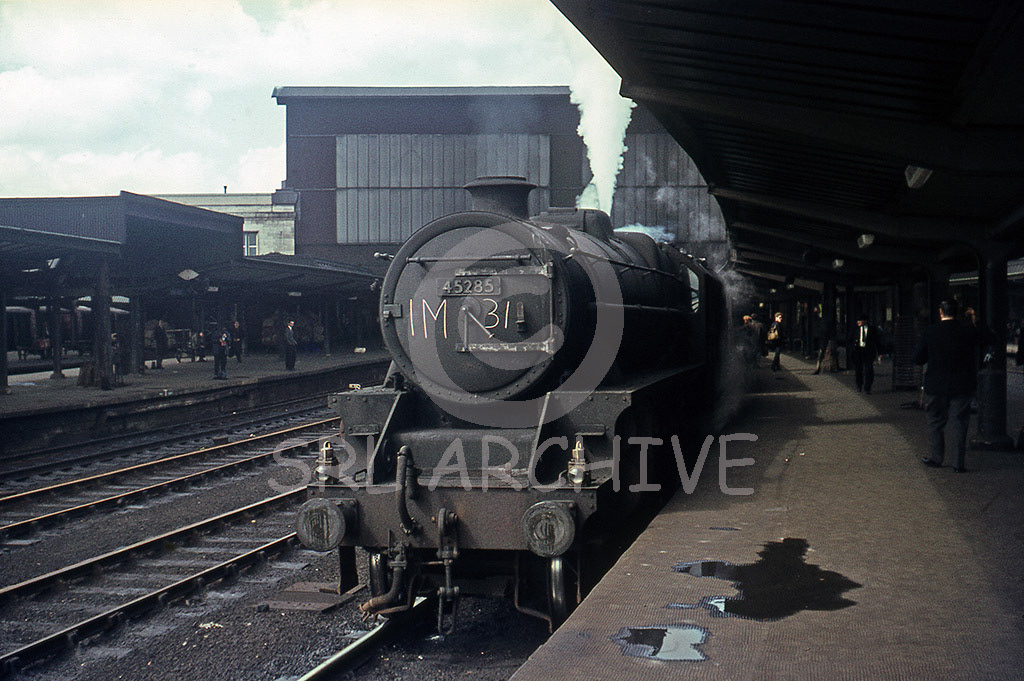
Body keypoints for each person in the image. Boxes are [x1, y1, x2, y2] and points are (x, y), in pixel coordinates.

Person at [912, 300, 979, 473]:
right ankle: (958, 464)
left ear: (941, 312)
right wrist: (973, 319)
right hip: (962, 385)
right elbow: (989, 337)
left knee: (935, 422)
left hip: (936, 385)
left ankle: (936, 458)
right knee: (960, 423)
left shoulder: (931, 332)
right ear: (957, 313)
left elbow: (917, 358)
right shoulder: (967, 331)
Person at [850, 313, 881, 394]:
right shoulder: (855, 329)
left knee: (869, 369)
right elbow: (850, 339)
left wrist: (880, 353)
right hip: (858, 351)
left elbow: (877, 341)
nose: (858, 322)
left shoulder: (872, 329)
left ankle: (867, 387)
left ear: (865, 321)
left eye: (860, 320)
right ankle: (859, 385)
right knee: (858, 369)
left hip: (868, 351)